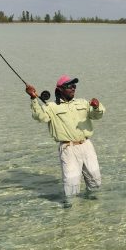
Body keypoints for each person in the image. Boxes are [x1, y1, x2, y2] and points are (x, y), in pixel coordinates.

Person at [25, 74, 105, 208]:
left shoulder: (83, 103)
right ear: (60, 89)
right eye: (69, 86)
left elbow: (96, 115)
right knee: (71, 185)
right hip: (68, 149)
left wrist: (97, 107)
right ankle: (71, 217)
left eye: (74, 85)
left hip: (86, 145)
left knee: (95, 181)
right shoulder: (51, 107)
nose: (73, 88)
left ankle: (94, 211)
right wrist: (33, 98)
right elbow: (39, 117)